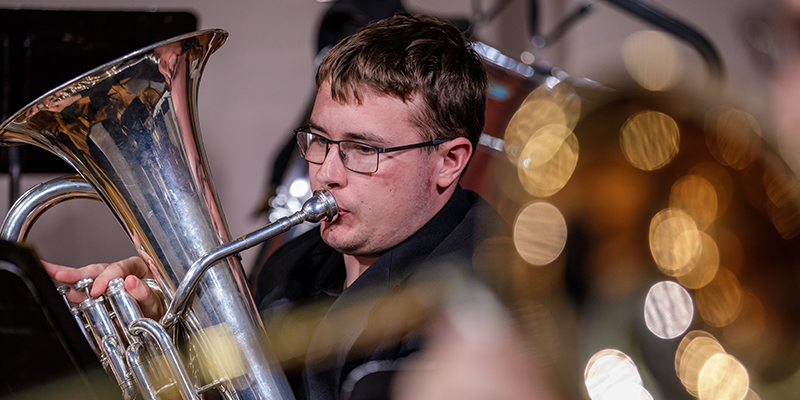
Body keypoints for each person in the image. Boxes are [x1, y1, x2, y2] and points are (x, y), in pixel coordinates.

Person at [45, 12, 510, 400]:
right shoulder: (290, 266)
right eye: (319, 140)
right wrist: (161, 330)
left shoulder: (494, 298)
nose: (326, 171)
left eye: (363, 150)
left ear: (449, 162)